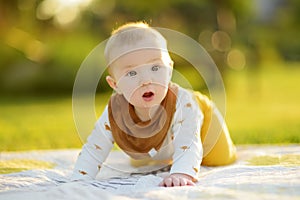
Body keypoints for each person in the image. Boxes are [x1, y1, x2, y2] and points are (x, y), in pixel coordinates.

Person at [71, 22, 236, 187]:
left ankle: (184, 157)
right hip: (163, 137)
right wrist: (80, 178)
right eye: (132, 73)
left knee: (218, 157)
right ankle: (167, 153)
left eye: (155, 67)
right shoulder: (116, 112)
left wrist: (182, 173)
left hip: (202, 119)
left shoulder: (183, 103)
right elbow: (94, 147)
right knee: (143, 160)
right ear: (115, 84)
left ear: (170, 69)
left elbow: (188, 140)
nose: (146, 80)